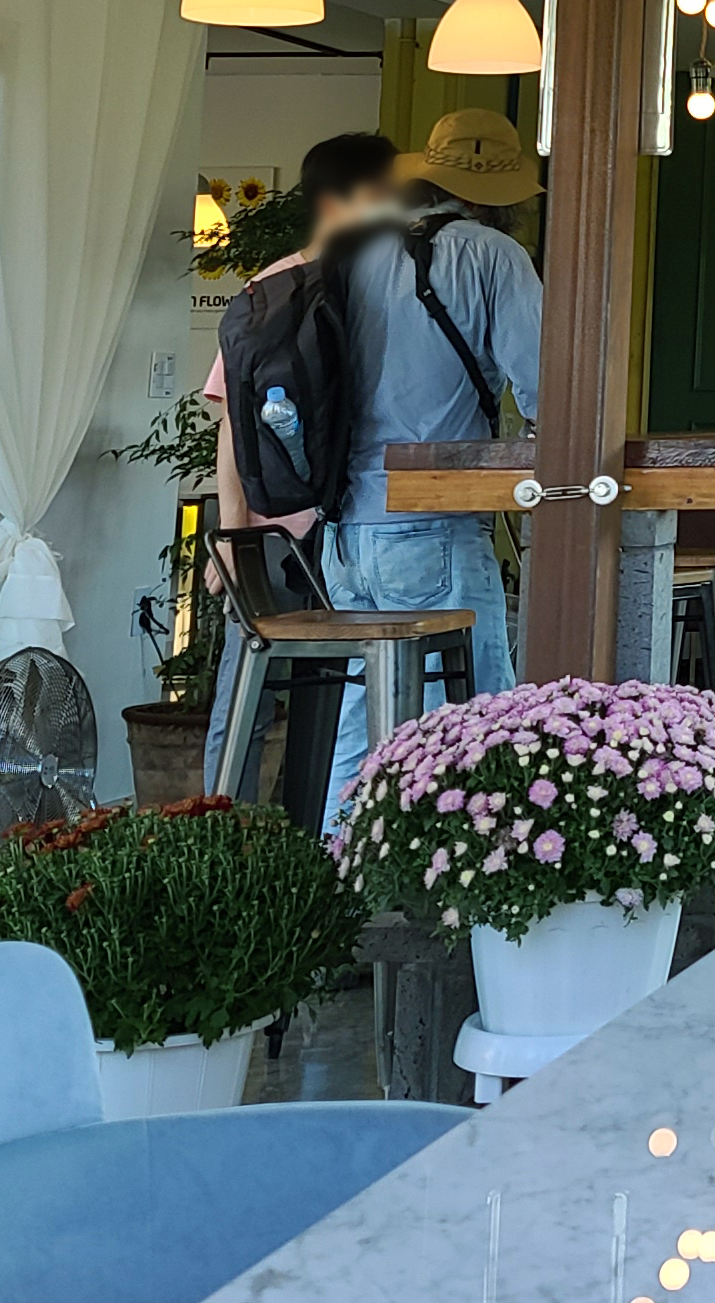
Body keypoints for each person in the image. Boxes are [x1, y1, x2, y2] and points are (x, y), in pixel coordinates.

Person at [316, 107, 546, 821]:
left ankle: (337, 867)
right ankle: (468, 877)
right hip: (434, 527)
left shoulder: (352, 249)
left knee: (360, 728)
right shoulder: (491, 255)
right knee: (475, 728)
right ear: (498, 196)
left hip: (345, 531)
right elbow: (549, 387)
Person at [196, 130, 401, 785]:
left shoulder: (329, 285)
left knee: (304, 697)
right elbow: (234, 423)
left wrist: (237, 535)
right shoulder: (287, 291)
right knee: (258, 697)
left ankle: (289, 828)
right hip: (298, 528)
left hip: (318, 524)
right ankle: (229, 825)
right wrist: (234, 540)